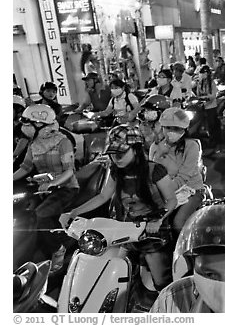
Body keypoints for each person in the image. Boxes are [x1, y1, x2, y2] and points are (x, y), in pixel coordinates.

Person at [60, 125, 177, 291]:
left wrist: (158, 219)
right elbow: (103, 196)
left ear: (136, 149)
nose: (116, 159)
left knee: (161, 281)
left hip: (153, 230)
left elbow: (171, 199)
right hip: (127, 229)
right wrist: (74, 212)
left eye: (121, 154)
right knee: (112, 269)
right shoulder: (116, 172)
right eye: (113, 154)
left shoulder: (154, 170)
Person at [13, 104, 79, 272]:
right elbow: (25, 167)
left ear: (41, 124)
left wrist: (53, 183)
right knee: (24, 214)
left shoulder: (62, 142)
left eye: (28, 124)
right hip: (43, 189)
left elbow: (69, 171)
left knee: (41, 214)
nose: (24, 128)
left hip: (66, 188)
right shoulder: (33, 144)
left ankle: (59, 249)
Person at [149, 107, 206, 236]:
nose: (171, 132)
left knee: (178, 222)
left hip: (190, 190)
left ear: (184, 130)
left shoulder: (191, 146)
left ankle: (186, 253)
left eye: (176, 129)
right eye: (168, 128)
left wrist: (165, 191)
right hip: (163, 192)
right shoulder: (155, 147)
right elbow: (152, 171)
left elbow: (184, 176)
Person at [191, 65, 221, 150]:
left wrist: (205, 97)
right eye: (201, 73)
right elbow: (197, 93)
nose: (202, 75)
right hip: (201, 106)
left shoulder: (212, 83)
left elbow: (213, 96)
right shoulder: (199, 83)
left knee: (212, 124)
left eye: (203, 73)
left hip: (211, 106)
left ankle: (214, 141)